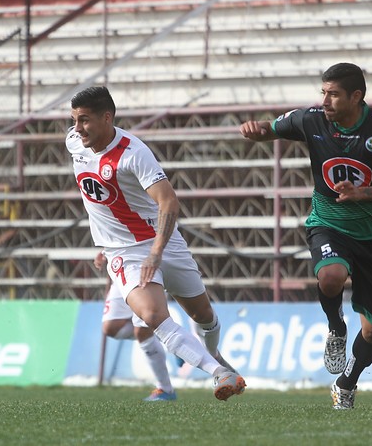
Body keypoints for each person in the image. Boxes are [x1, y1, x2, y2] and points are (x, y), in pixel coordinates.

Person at [239, 63, 372, 409]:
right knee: (331, 276)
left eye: (333, 94)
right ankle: (336, 327)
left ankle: (346, 383)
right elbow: (273, 128)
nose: (325, 100)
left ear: (356, 97)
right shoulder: (311, 119)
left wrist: (362, 193)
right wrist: (258, 131)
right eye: (323, 93)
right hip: (328, 222)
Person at [67, 86, 245, 401]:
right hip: (123, 252)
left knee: (203, 315)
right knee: (151, 316)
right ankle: (218, 374)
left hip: (162, 242)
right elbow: (99, 199)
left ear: (107, 118)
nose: (77, 129)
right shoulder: (74, 143)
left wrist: (156, 252)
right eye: (74, 120)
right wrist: (105, 240)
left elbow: (169, 202)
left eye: (84, 120)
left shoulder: (134, 153)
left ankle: (215, 356)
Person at [96, 251, 176, 401]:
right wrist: (104, 250)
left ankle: (165, 389)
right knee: (110, 327)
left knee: (142, 332)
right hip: (121, 269)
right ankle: (172, 338)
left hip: (144, 268)